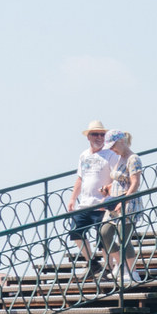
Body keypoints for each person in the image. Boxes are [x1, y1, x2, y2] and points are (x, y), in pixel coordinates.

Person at [65, 120, 121, 279]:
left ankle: (109, 268)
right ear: (88, 136)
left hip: (103, 203)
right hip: (85, 204)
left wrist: (109, 194)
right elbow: (80, 178)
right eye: (95, 134)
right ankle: (93, 263)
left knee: (103, 237)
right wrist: (72, 199)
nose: (99, 137)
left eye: (102, 134)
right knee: (76, 232)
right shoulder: (84, 155)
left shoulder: (110, 154)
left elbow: (116, 178)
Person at [101, 130, 144, 284]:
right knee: (105, 233)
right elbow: (119, 180)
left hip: (128, 203)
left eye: (113, 146)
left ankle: (132, 272)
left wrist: (124, 201)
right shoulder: (120, 158)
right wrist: (108, 187)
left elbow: (135, 183)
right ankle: (121, 264)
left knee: (123, 238)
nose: (112, 149)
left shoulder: (133, 159)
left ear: (121, 142)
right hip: (115, 202)